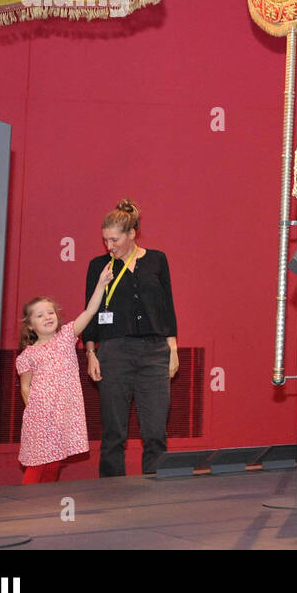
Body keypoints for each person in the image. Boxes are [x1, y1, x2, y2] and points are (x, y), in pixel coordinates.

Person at [81, 199, 180, 476]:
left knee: (155, 432)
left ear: (132, 234)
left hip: (155, 351)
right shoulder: (99, 266)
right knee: (113, 433)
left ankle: (155, 492)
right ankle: (111, 495)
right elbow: (90, 310)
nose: (109, 246)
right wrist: (91, 353)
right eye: (105, 240)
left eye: (114, 239)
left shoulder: (157, 260)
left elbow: (167, 306)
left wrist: (172, 348)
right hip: (114, 351)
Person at [16, 264, 114, 484]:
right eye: (40, 315)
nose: (47, 317)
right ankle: (27, 504)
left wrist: (100, 284)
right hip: (40, 416)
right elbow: (25, 386)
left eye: (50, 312)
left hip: (63, 413)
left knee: (54, 462)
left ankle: (48, 501)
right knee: (37, 463)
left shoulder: (66, 337)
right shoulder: (28, 355)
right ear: (30, 326)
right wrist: (36, 413)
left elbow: (90, 311)